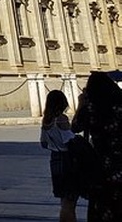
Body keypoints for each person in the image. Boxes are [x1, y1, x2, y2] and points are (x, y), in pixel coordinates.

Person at [72, 71, 122, 221]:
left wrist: (81, 104)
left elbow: (75, 127)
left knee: (103, 205)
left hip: (101, 166)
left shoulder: (91, 109)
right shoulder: (119, 105)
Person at [40, 90, 78, 222]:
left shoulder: (46, 121)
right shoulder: (62, 119)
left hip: (54, 159)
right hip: (67, 160)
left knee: (64, 200)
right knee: (70, 202)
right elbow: (69, 140)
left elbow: (43, 143)